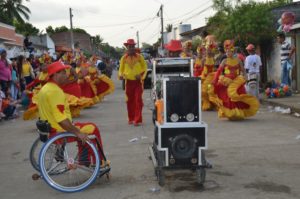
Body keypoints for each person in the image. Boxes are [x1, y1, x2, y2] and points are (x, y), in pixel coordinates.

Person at [37, 61, 105, 162]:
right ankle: (97, 163)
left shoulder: (45, 88)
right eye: (63, 72)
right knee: (92, 128)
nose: (66, 75)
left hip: (48, 129)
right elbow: (61, 120)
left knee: (83, 127)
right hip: (58, 131)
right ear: (55, 75)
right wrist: (78, 133)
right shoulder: (55, 91)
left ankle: (84, 160)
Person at [209, 40, 259, 120]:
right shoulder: (224, 60)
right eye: (227, 52)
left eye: (229, 52)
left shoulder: (238, 60)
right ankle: (231, 114)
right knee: (228, 98)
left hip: (236, 80)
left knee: (237, 96)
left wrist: (245, 77)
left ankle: (238, 113)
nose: (228, 53)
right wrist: (215, 80)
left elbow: (243, 70)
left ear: (233, 52)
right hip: (227, 81)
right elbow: (218, 71)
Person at [118, 39, 147, 126]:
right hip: (128, 83)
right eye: (129, 47)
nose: (131, 48)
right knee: (129, 101)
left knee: (138, 100)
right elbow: (120, 69)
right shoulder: (124, 58)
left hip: (138, 83)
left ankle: (137, 120)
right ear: (127, 47)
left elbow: (145, 68)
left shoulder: (140, 57)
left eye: (132, 46)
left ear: (134, 47)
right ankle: (131, 118)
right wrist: (121, 75)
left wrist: (141, 76)